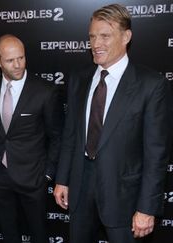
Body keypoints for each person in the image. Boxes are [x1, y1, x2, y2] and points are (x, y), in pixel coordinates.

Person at [53, 4, 171, 243]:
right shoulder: (79, 78)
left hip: (123, 195)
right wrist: (62, 179)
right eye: (92, 36)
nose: (96, 44)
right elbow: (71, 134)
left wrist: (147, 208)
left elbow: (156, 153)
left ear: (126, 36)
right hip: (80, 186)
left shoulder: (151, 85)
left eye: (105, 36)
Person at [0, 34, 63, 243]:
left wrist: (48, 175)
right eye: (10, 60)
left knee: (39, 232)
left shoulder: (45, 91)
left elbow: (57, 136)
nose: (17, 65)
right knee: (8, 232)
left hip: (33, 177)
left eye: (21, 58)